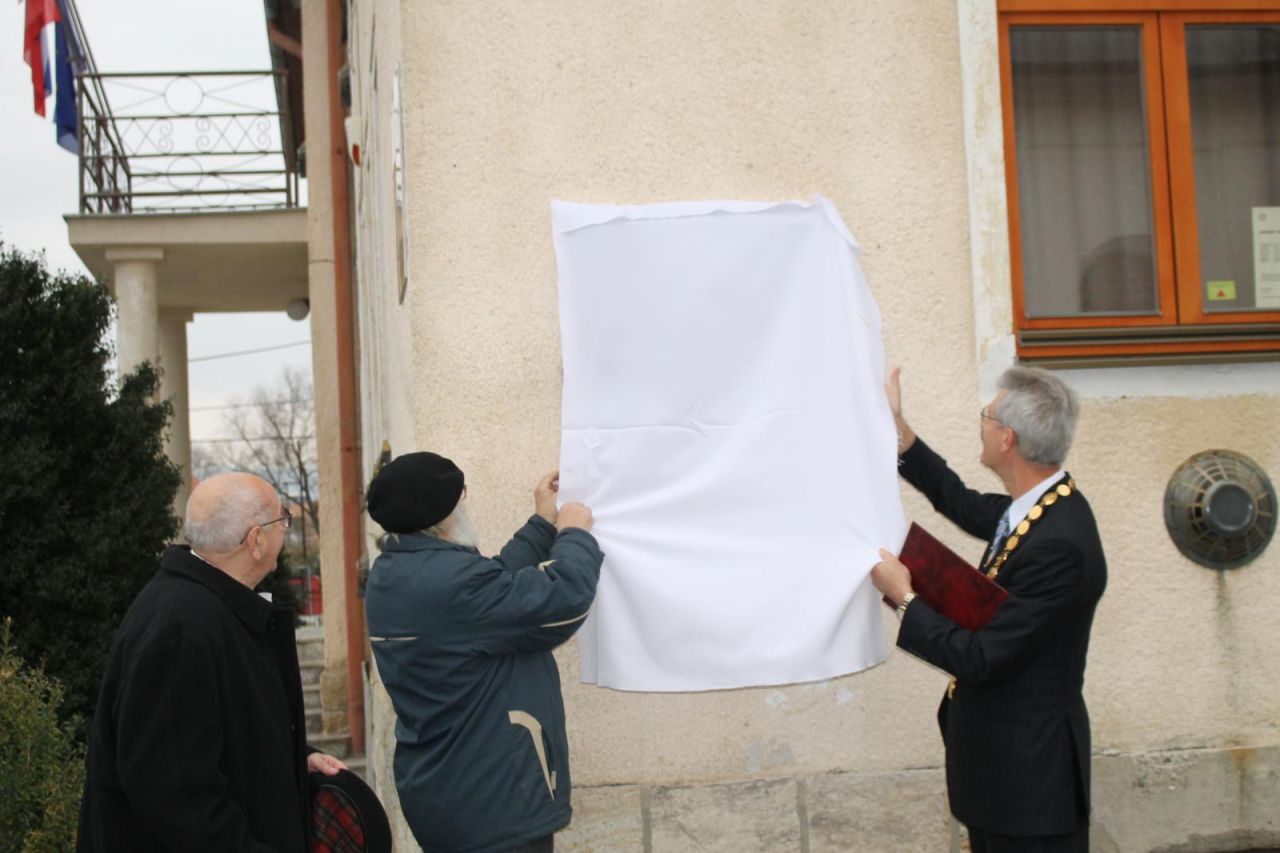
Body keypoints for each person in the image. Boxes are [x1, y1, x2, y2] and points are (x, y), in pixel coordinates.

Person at [871, 366, 1107, 853]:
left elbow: (981, 657)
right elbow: (960, 502)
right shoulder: (1041, 506)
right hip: (1002, 778)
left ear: (1007, 438)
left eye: (987, 415)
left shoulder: (1059, 545)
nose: (980, 423)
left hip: (1029, 790)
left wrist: (907, 599)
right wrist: (900, 429)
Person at [78, 472, 348, 852]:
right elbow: (177, 797)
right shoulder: (181, 631)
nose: (284, 529)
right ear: (255, 540)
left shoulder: (211, 609)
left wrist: (292, 760)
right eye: (282, 519)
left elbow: (221, 733)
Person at [363, 452, 604, 853]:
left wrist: (542, 524)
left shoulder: (393, 573)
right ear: (444, 516)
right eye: (462, 496)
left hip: (447, 795)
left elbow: (493, 593)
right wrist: (575, 534)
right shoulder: (453, 583)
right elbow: (563, 600)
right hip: (493, 805)